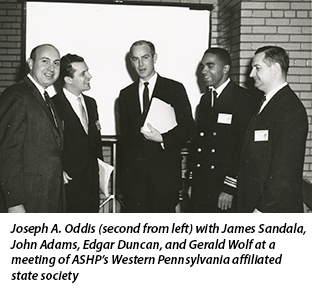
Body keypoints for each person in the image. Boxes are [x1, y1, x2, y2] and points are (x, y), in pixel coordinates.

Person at [118, 40, 195, 213]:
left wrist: (163, 138)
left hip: (165, 179)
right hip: (135, 182)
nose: (140, 64)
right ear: (131, 62)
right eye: (135, 59)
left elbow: (188, 127)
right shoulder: (125, 95)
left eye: (145, 58)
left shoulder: (174, 89)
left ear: (155, 58)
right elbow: (126, 141)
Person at [238, 46, 308, 213]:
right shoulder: (267, 102)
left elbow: (284, 170)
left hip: (271, 210)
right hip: (256, 202)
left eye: (257, 68)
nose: (251, 74)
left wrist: (262, 210)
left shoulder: (289, 108)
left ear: (275, 68)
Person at [187, 47, 258, 213]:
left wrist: (230, 188)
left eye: (210, 66)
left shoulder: (242, 99)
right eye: (202, 66)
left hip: (222, 188)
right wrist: (192, 183)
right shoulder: (205, 100)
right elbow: (199, 145)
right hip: (202, 186)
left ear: (225, 69)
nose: (204, 71)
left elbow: (243, 148)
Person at [0, 44, 65, 213]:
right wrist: (14, 203)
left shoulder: (46, 98)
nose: (51, 68)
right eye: (45, 61)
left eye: (56, 63)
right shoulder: (17, 95)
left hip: (46, 195)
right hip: (27, 199)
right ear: (30, 63)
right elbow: (7, 153)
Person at [52, 54, 103, 213]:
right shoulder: (53, 105)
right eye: (83, 74)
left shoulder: (91, 103)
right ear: (68, 80)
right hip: (67, 182)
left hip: (91, 182)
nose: (89, 76)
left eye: (87, 71)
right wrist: (56, 169)